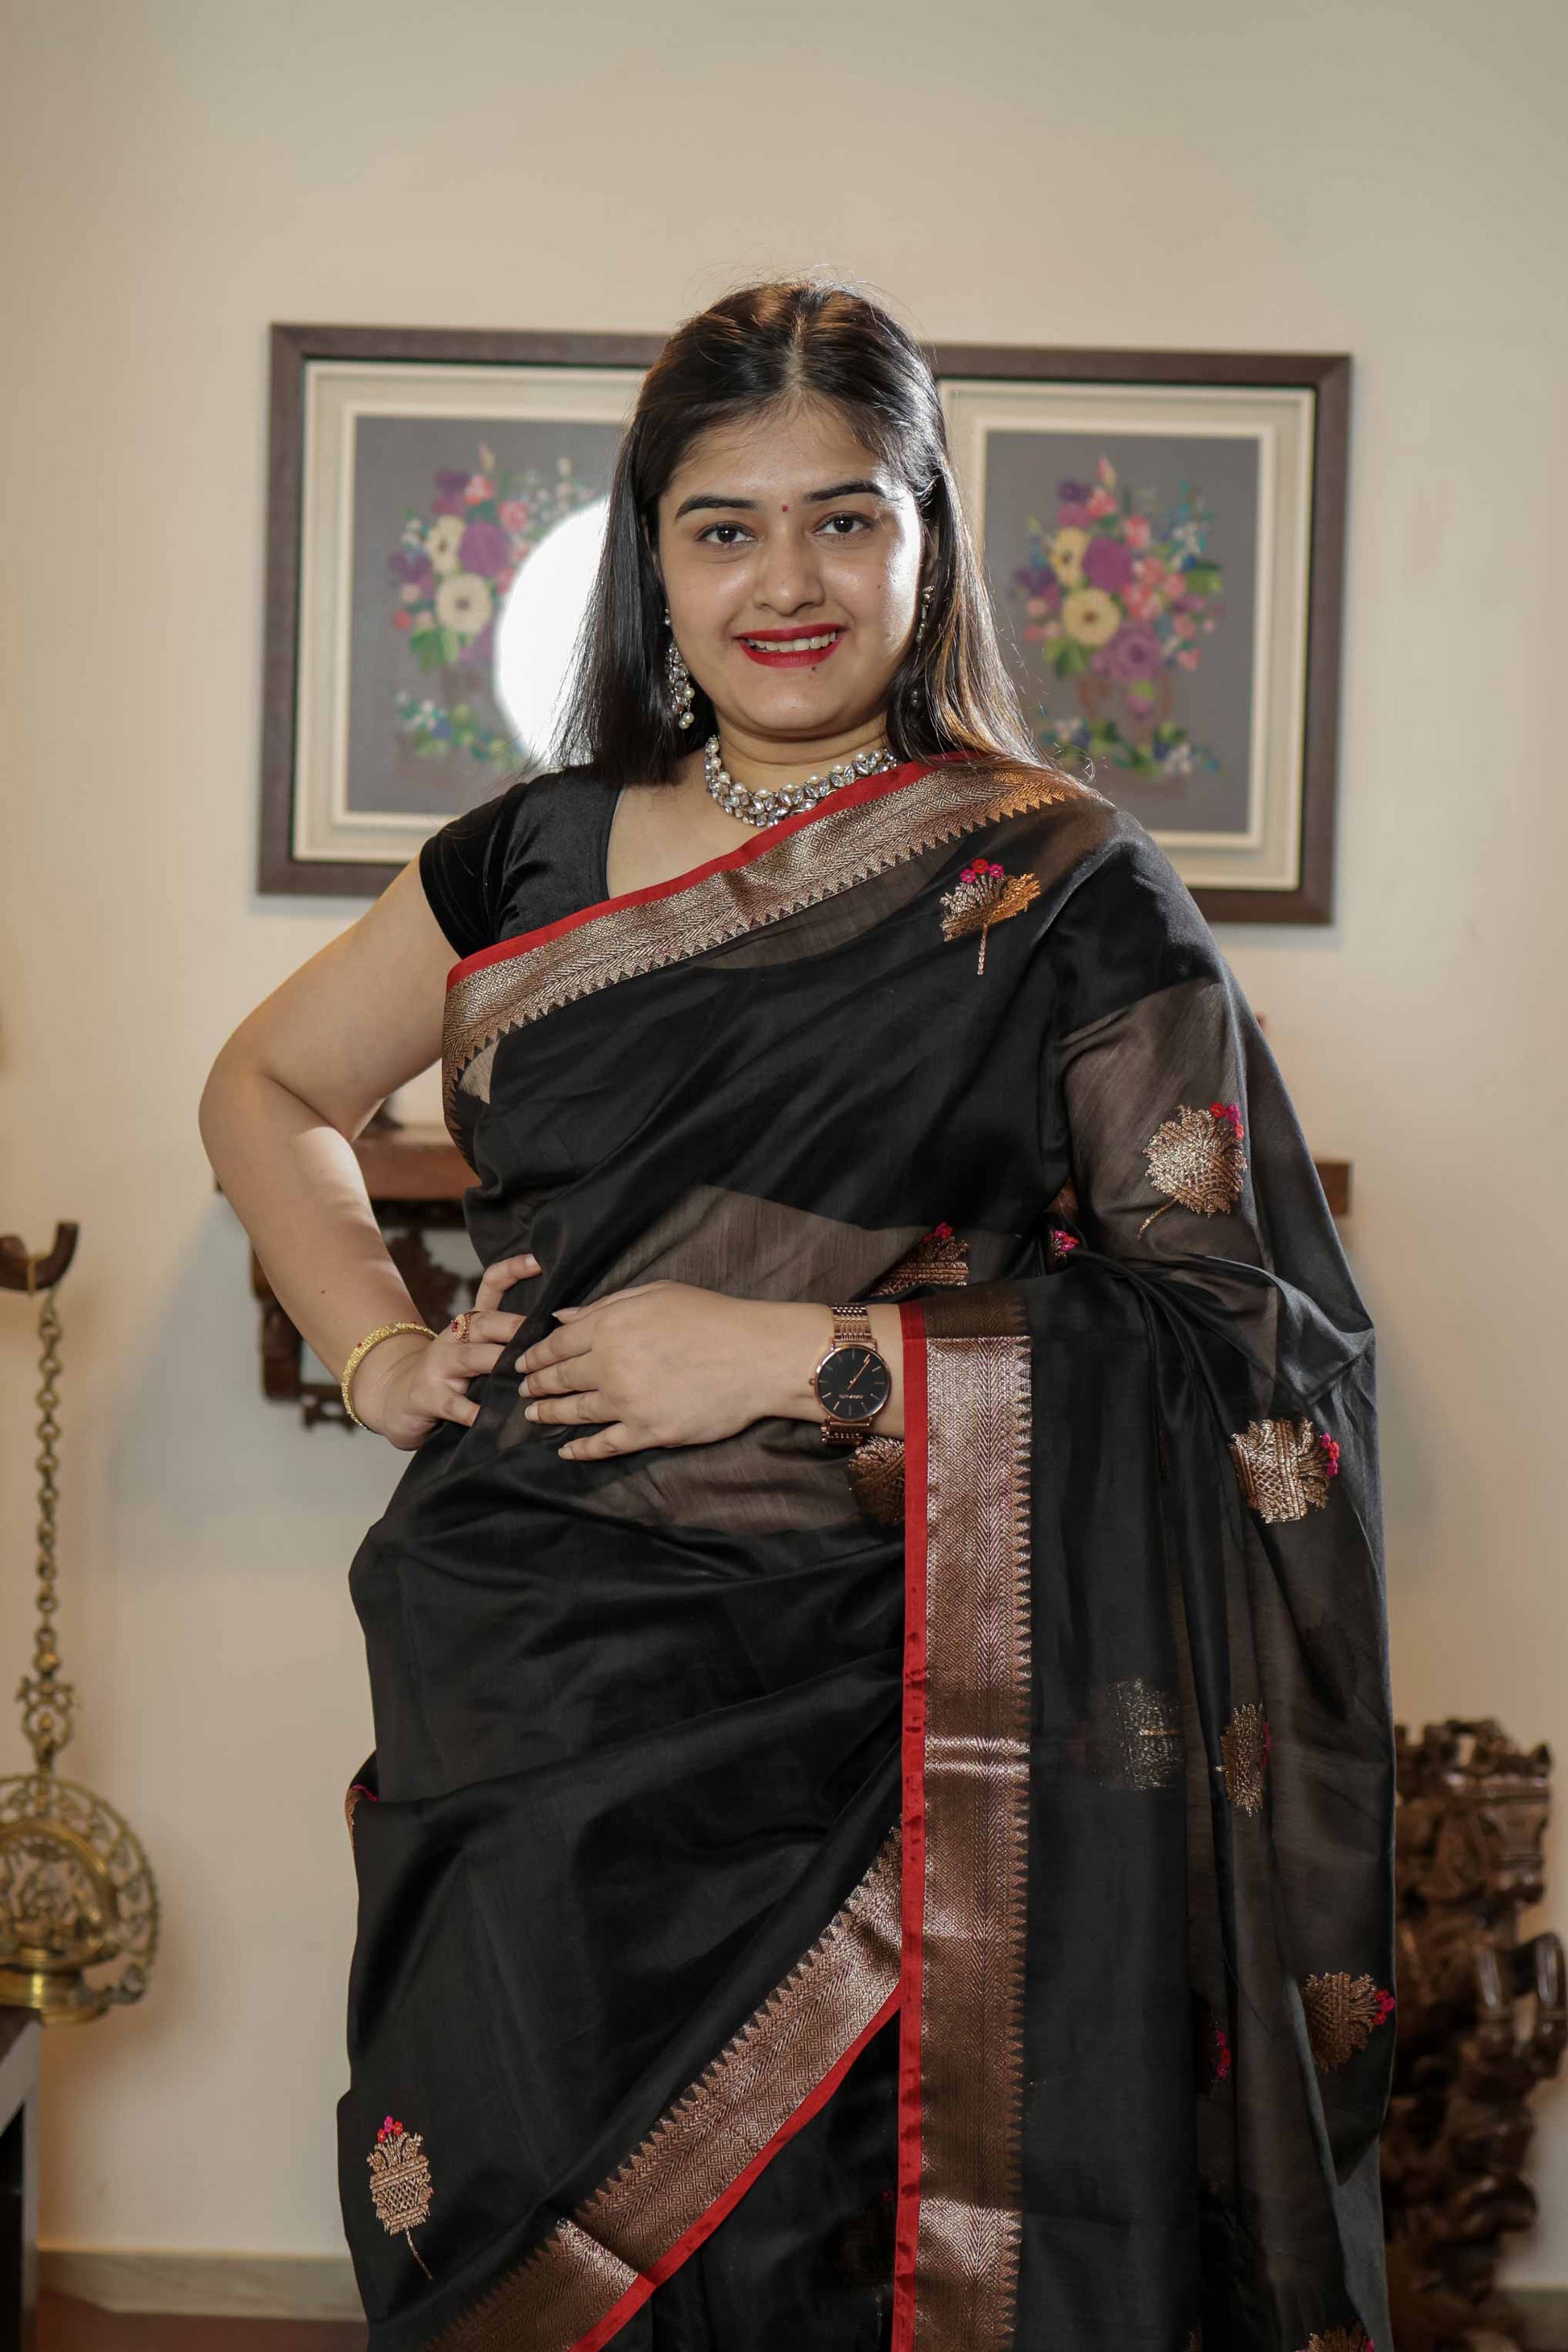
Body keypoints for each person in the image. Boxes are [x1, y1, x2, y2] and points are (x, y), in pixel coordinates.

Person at [201, 281, 1394, 2352]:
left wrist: (797, 1354)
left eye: (844, 519)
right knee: (508, 2216)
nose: (786, 582)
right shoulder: (527, 858)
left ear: (925, 538)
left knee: (831, 2259)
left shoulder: (1064, 886)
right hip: (535, 1687)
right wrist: (384, 1350)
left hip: (905, 1717)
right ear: (651, 558)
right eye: (723, 527)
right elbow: (266, 1084)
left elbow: (1234, 1336)